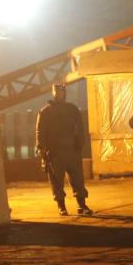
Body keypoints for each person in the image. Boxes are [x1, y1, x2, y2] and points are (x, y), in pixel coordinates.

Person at [36, 84, 91, 216]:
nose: (58, 94)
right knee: (56, 181)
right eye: (56, 91)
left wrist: (80, 144)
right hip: (55, 152)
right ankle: (61, 206)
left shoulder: (72, 109)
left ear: (64, 93)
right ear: (53, 92)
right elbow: (40, 131)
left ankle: (82, 205)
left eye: (61, 91)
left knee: (77, 179)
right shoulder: (45, 111)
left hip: (72, 150)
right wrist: (41, 148)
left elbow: (80, 128)